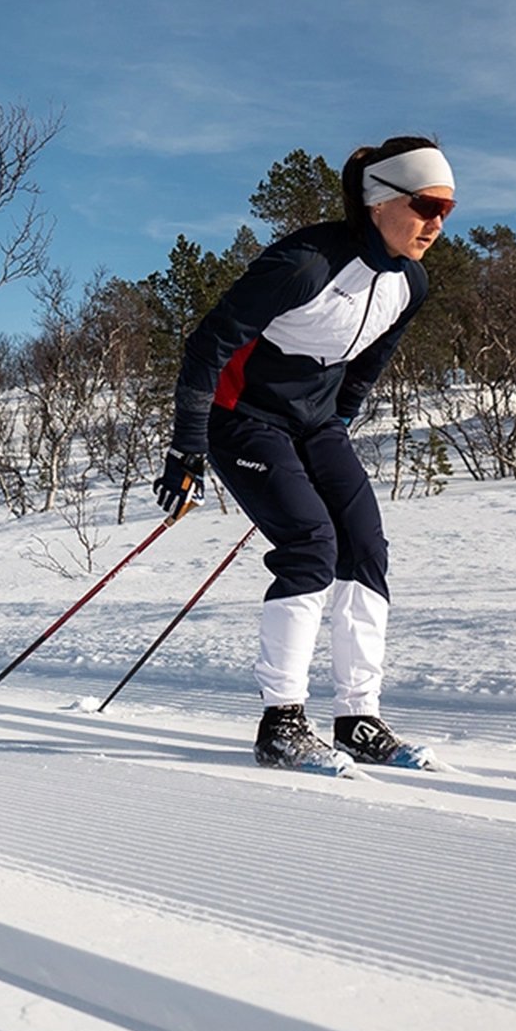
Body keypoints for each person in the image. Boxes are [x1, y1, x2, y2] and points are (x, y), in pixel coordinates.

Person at [153, 137, 456, 773]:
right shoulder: (306, 263)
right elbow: (208, 345)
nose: (436, 222)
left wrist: (337, 423)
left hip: (317, 425)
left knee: (365, 547)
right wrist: (188, 446)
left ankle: (357, 718)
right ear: (379, 202)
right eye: (427, 204)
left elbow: (369, 361)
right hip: (242, 418)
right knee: (310, 544)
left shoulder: (412, 283)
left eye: (447, 210)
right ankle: (281, 723)